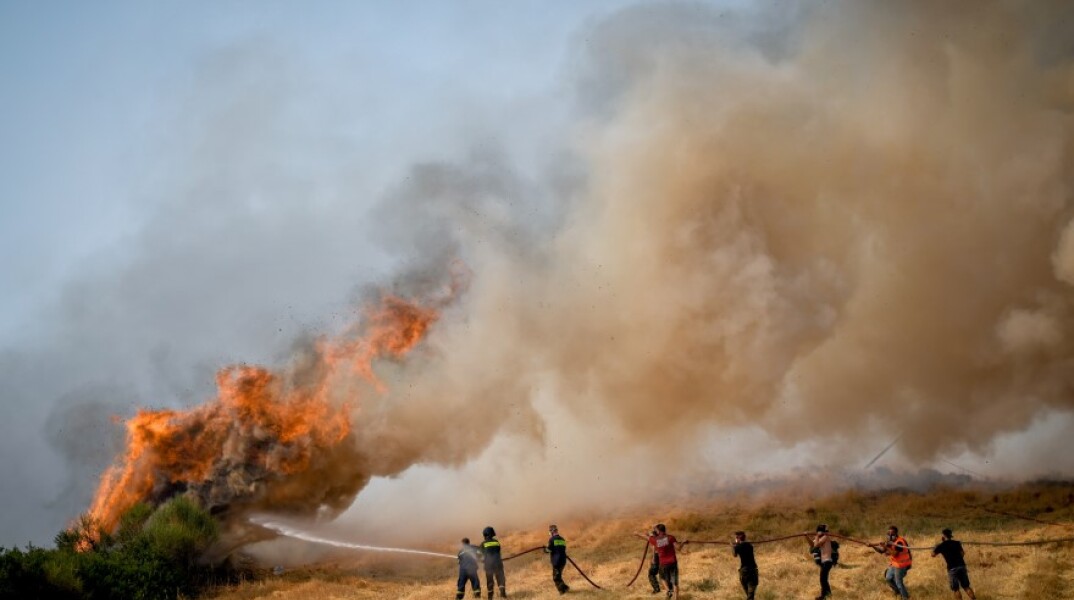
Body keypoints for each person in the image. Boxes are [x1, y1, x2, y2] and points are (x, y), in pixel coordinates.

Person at [635, 523, 683, 599]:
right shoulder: (671, 538)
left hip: (663, 563)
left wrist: (637, 534)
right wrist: (683, 543)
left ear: (658, 530)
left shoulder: (655, 540)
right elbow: (678, 548)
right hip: (673, 562)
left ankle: (668, 591)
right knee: (675, 582)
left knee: (662, 578)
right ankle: (676, 598)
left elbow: (646, 537)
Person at [933, 528, 976, 600]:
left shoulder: (941, 545)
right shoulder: (956, 543)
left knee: (956, 589)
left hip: (952, 569)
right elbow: (962, 553)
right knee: (966, 587)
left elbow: (933, 555)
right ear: (950, 535)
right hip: (961, 566)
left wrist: (935, 548)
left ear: (943, 536)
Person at [872, 525, 912, 600]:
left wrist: (886, 546)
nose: (890, 536)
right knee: (888, 578)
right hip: (894, 564)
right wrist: (871, 546)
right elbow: (881, 551)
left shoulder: (899, 542)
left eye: (892, 534)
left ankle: (905, 597)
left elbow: (894, 553)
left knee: (898, 582)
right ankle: (897, 592)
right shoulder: (890, 542)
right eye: (888, 534)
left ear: (896, 534)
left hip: (901, 565)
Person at [810, 524, 835, 600]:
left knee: (822, 579)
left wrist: (816, 536)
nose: (818, 533)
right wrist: (807, 536)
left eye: (819, 531)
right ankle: (828, 594)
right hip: (825, 562)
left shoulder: (825, 537)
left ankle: (823, 596)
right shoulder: (823, 538)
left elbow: (816, 544)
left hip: (827, 561)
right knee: (824, 579)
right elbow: (814, 545)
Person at [481, 526, 507, 598]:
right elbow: (498, 551)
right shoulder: (496, 542)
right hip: (498, 563)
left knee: (490, 580)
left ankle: (490, 597)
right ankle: (503, 594)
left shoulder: (483, 543)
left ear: (485, 534)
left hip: (489, 565)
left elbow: (479, 555)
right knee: (500, 578)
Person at [732, 531, 758, 600]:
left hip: (744, 571)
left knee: (749, 595)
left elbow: (734, 555)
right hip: (753, 570)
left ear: (737, 538)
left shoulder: (738, 547)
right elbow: (745, 545)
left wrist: (734, 546)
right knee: (750, 595)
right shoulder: (750, 546)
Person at [544, 524, 570, 594]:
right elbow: (561, 549)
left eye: (549, 531)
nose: (549, 533)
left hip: (556, 561)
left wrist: (545, 550)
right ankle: (565, 589)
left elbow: (549, 550)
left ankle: (563, 591)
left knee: (556, 578)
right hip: (563, 560)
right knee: (558, 576)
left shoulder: (552, 539)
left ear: (552, 531)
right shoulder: (562, 539)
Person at [646, 526, 662, 594]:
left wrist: (653, 558)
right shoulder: (661, 537)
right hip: (661, 557)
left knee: (651, 574)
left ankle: (656, 589)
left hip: (656, 556)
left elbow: (654, 548)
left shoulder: (654, 539)